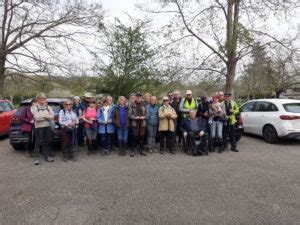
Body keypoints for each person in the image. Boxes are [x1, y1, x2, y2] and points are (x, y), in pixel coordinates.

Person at [31, 93, 55, 165]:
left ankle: (47, 156)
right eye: (40, 98)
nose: (42, 100)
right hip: (38, 127)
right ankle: (36, 158)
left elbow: (52, 116)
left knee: (46, 142)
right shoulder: (34, 107)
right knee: (38, 142)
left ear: (45, 100)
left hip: (47, 126)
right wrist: (47, 116)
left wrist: (43, 116)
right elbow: (37, 118)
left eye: (43, 99)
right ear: (37, 99)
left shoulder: (48, 107)